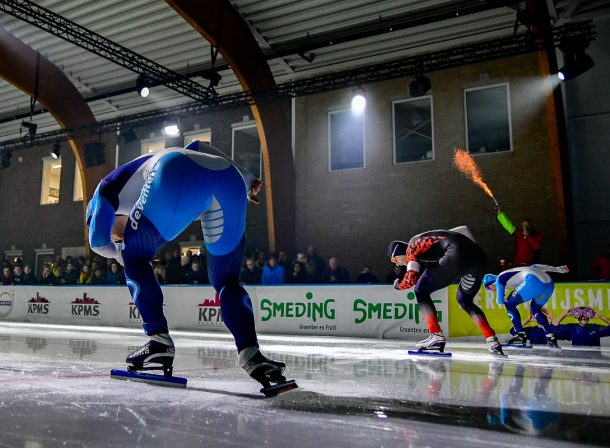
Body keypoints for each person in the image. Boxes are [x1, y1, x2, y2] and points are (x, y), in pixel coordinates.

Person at [86, 141, 295, 395]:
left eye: (115, 234)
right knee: (227, 279)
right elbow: (200, 145)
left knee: (134, 254)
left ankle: (158, 341)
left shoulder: (103, 191)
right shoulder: (141, 173)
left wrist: (121, 252)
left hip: (175, 171)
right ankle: (251, 353)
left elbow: (98, 242)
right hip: (229, 177)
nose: (117, 237)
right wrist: (246, 176)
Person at [388, 226, 505, 356]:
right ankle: (492, 341)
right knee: (464, 300)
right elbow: (464, 229)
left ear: (399, 251)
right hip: (478, 258)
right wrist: (470, 255)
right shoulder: (430, 238)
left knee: (420, 290)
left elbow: (410, 279)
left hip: (456, 254)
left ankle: (436, 336)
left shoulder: (411, 248)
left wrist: (398, 285)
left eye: (395, 259)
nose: (397, 264)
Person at [482, 264, 569, 347]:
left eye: (488, 288)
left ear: (491, 283)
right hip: (549, 284)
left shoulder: (499, 279)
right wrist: (558, 269)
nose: (490, 290)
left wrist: (503, 296)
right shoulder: (514, 273)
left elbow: (500, 301)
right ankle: (550, 336)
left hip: (533, 281)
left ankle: (520, 334)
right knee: (535, 309)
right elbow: (536, 266)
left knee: (509, 303)